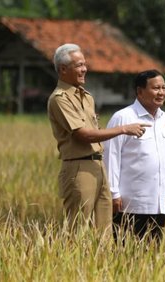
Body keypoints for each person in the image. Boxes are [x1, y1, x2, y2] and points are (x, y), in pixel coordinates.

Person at [47, 43, 150, 232]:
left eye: (84, 64)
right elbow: (84, 135)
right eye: (78, 65)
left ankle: (100, 261)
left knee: (104, 230)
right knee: (77, 230)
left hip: (99, 165)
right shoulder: (59, 99)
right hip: (79, 168)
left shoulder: (87, 97)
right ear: (63, 69)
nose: (84, 69)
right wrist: (124, 129)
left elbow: (94, 130)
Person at [103, 69, 165, 241]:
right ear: (139, 91)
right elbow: (111, 157)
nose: (161, 93)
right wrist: (113, 193)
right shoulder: (123, 117)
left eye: (164, 88)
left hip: (158, 202)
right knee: (126, 252)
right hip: (130, 203)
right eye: (156, 88)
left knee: (153, 254)